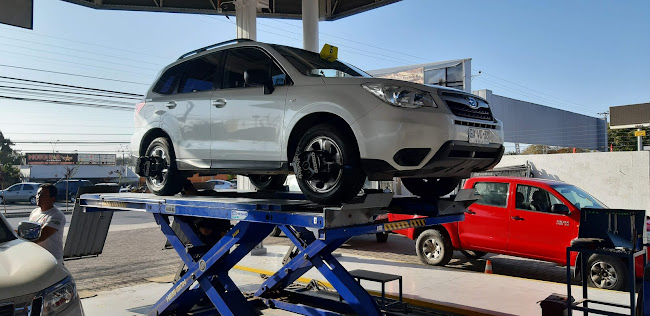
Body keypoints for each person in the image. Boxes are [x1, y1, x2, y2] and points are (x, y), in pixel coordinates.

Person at [29, 183, 66, 263]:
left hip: (53, 261)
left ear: (52, 198)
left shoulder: (57, 215)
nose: (38, 197)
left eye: (42, 195)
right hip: (37, 259)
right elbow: (27, 231)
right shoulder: (34, 212)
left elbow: (41, 236)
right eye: (38, 194)